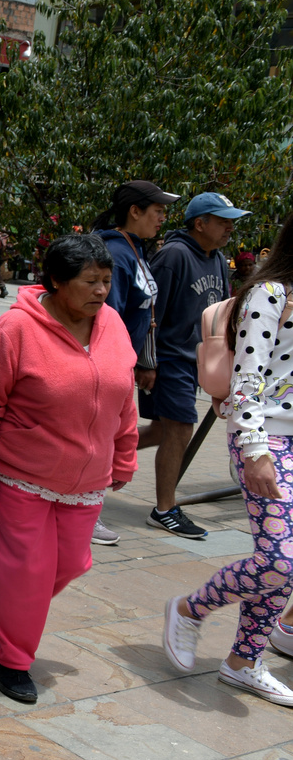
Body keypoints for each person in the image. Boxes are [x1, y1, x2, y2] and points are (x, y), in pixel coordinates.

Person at [0, 235, 138, 702]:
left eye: (106, 280)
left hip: (86, 481)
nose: (101, 291)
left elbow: (123, 395)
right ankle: (10, 660)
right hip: (20, 475)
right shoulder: (17, 328)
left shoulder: (114, 325)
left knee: (71, 564)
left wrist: (124, 453)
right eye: (90, 281)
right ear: (58, 282)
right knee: (29, 574)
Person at [164, 216, 293, 705]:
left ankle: (244, 661)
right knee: (280, 559)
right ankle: (190, 609)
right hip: (269, 442)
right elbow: (247, 380)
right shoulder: (271, 294)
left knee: (288, 564)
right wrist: (255, 449)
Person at [142, 192, 248, 539]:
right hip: (170, 358)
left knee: (162, 431)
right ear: (199, 223)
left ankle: (96, 452)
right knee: (179, 429)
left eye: (232, 220)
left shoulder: (217, 258)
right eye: (222, 221)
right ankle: (165, 509)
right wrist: (147, 361)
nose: (230, 227)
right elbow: (151, 311)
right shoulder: (174, 255)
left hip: (198, 360)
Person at [90, 179, 179, 546]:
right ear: (135, 211)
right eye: (157, 211)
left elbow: (145, 312)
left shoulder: (135, 249)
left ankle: (86, 507)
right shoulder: (116, 252)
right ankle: (86, 513)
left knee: (111, 436)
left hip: (124, 362)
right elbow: (107, 315)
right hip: (108, 363)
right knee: (99, 438)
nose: (162, 218)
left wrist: (144, 360)